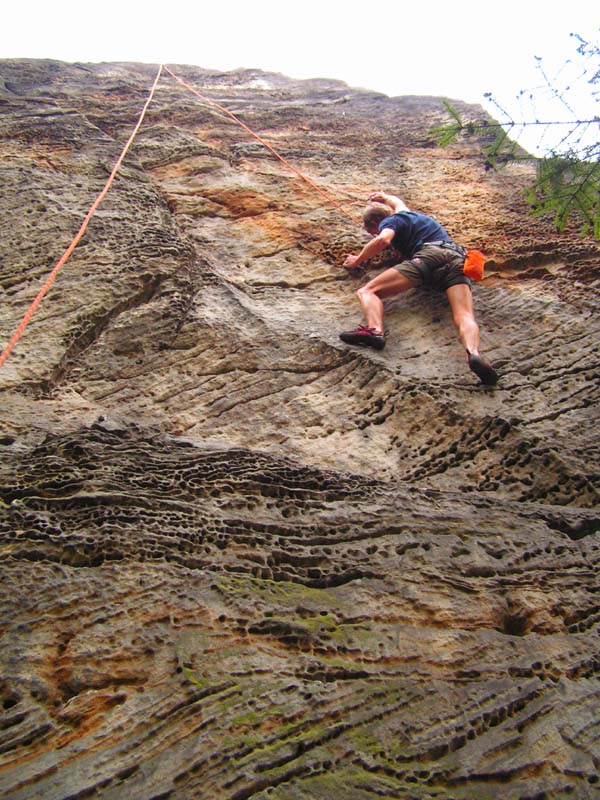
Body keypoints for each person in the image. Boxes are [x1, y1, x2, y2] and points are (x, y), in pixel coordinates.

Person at [339, 191, 498, 385]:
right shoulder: (407, 213)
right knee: (465, 315)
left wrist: (357, 260)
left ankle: (375, 331)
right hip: (459, 260)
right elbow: (396, 202)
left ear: (375, 223)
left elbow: (383, 240)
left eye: (372, 231)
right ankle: (473, 354)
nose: (375, 233)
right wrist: (383, 196)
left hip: (430, 256)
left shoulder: (390, 222)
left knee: (367, 291)